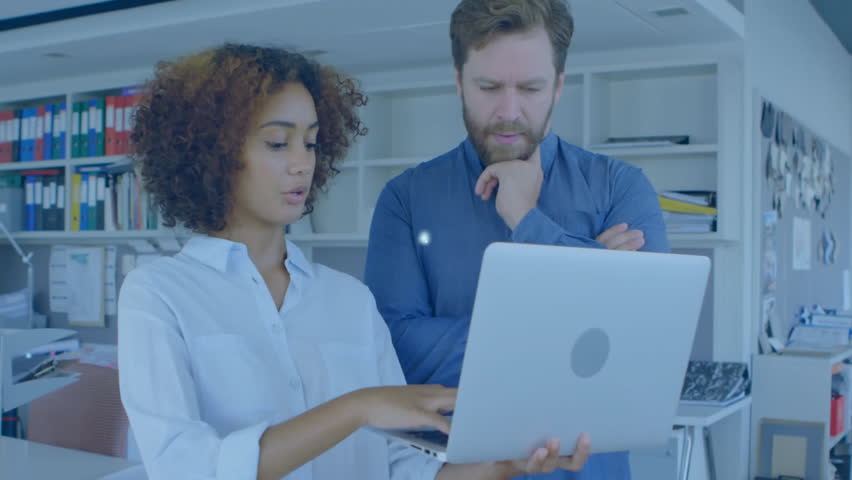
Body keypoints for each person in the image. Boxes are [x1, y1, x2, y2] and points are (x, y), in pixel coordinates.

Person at [118, 43, 590, 480]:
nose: (303, 163)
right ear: (213, 155)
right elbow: (188, 467)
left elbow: (401, 468)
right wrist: (358, 407)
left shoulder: (349, 300)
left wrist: (506, 463)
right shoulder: (159, 294)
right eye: (278, 143)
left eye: (311, 142)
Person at [364, 1, 669, 479]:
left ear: (559, 86)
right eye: (488, 88)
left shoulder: (621, 188)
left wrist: (528, 220)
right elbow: (397, 347)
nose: (509, 113)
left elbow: (642, 347)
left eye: (530, 88)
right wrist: (590, 273)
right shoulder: (404, 199)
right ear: (459, 80)